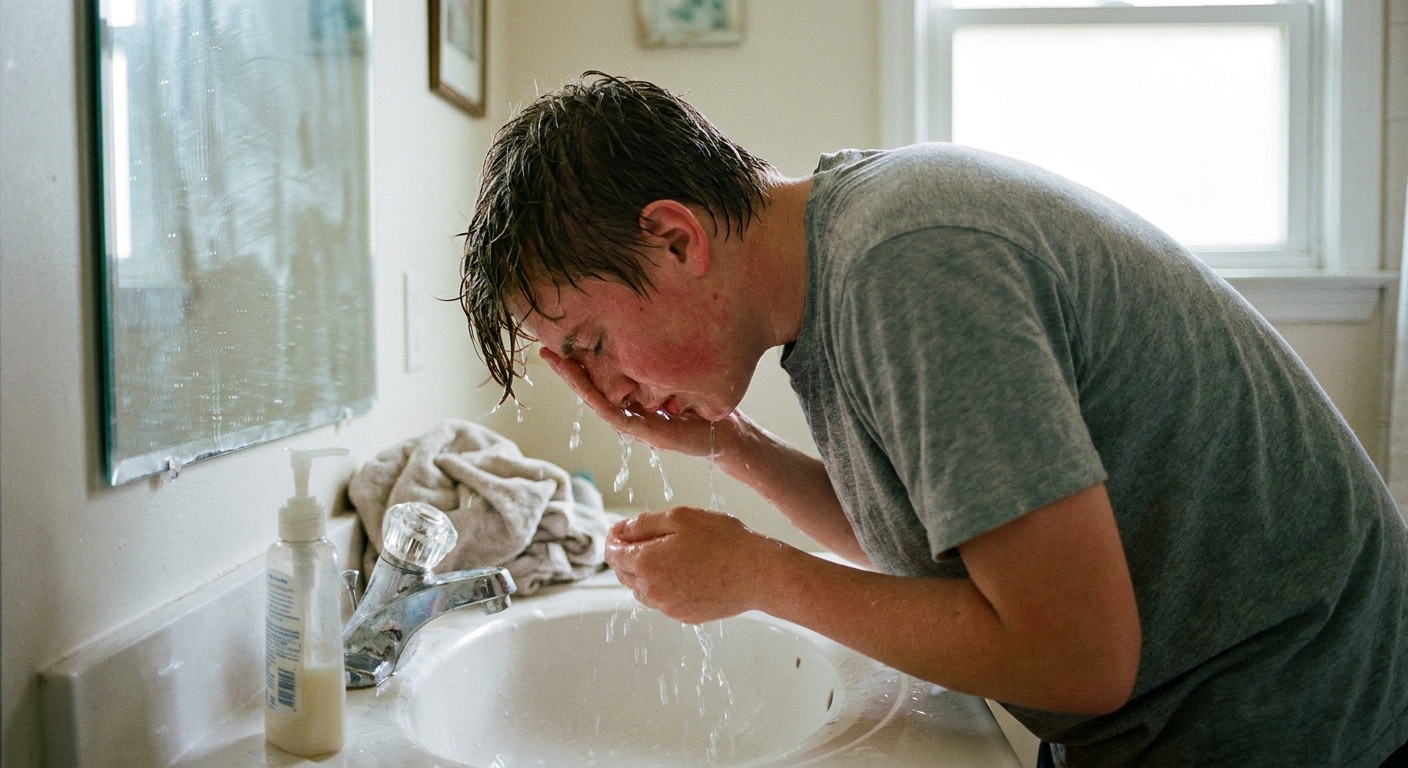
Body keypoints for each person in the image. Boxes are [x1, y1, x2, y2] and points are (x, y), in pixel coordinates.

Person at [458, 72, 1408, 766]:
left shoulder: (910, 268)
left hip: (1298, 722)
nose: (603, 384)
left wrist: (759, 574)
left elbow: (1077, 658)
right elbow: (924, 553)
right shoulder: (845, 258)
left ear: (675, 238)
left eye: (589, 339)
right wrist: (730, 447)